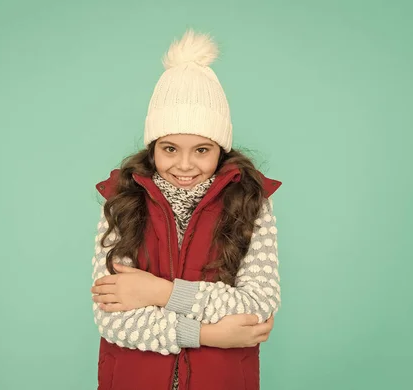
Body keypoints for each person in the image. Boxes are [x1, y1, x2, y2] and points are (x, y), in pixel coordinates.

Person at [90, 29, 282, 390]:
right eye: (170, 149)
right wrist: (209, 334)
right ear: (152, 148)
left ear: (221, 149)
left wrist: (158, 292)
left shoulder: (251, 202)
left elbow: (256, 307)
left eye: (202, 150)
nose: (185, 165)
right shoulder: (122, 201)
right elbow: (113, 319)